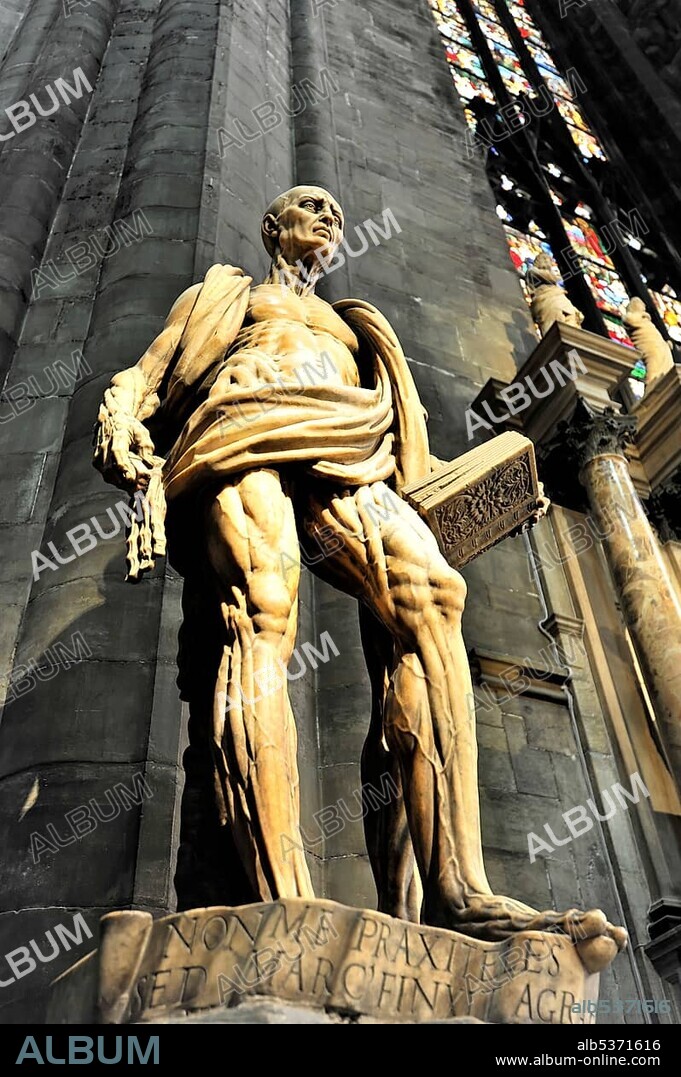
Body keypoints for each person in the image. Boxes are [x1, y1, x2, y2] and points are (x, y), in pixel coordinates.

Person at [94, 186, 625, 962]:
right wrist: (123, 419)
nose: (330, 218)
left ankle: (455, 892)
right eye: (310, 206)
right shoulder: (227, 293)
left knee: (434, 598)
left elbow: (413, 459)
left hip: (350, 450)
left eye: (338, 214)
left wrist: (497, 485)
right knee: (265, 613)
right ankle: (282, 897)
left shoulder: (355, 326)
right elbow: (148, 373)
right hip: (242, 432)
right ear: (271, 224)